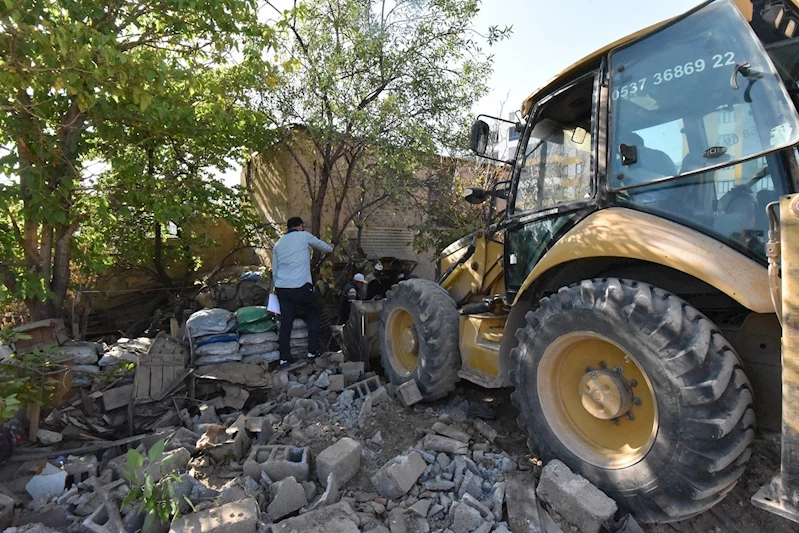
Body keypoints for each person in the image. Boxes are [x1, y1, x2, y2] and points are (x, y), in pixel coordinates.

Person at [271, 216, 333, 368]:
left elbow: (275, 271)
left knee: (286, 323)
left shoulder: (278, 244)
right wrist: (330, 247)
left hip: (282, 288)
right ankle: (312, 351)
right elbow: (325, 248)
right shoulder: (304, 236)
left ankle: (284, 358)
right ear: (299, 226)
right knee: (314, 314)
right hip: (301, 287)